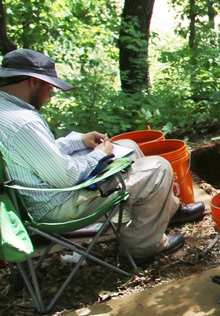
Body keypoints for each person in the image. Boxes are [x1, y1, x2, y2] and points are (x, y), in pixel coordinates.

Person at [0, 49, 204, 264]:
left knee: (126, 145)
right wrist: (97, 155)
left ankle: (169, 210)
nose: (49, 96)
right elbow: (66, 177)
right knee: (158, 168)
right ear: (33, 82)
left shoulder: (6, 109)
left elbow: (38, 153)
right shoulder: (24, 122)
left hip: (39, 196)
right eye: (49, 87)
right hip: (57, 206)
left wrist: (79, 141)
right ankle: (142, 247)